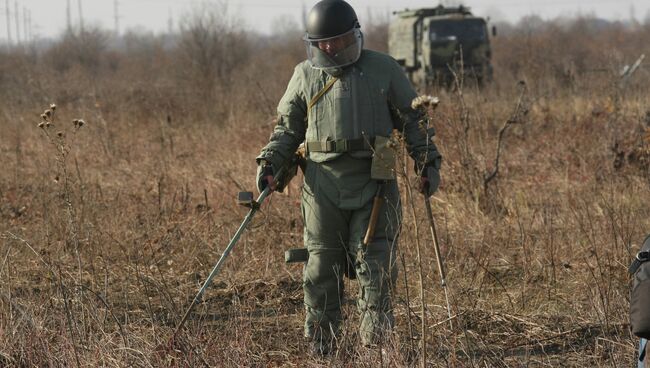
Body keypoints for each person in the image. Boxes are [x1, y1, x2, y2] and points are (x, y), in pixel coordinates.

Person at [255, 0, 442, 355]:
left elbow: (414, 121)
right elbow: (286, 130)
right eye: (321, 42)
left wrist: (428, 163)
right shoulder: (304, 76)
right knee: (320, 266)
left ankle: (376, 346)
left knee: (376, 267)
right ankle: (324, 347)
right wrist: (269, 166)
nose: (329, 47)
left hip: (375, 186)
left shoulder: (384, 69)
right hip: (322, 187)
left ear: (353, 35)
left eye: (336, 40)